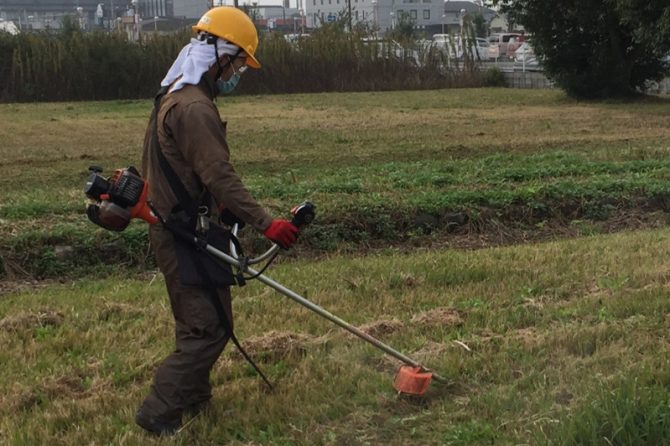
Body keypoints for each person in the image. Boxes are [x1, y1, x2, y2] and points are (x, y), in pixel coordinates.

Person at [137, 6, 299, 435]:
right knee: (208, 329)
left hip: (185, 224)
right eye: (240, 63)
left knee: (202, 321)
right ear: (220, 56)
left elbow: (188, 171)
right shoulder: (193, 107)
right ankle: (158, 412)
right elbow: (218, 174)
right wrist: (266, 223)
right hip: (182, 231)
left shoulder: (175, 95)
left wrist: (220, 209)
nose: (240, 72)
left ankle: (195, 399)